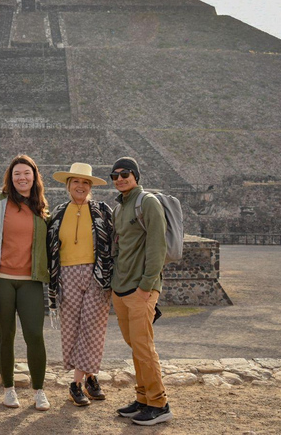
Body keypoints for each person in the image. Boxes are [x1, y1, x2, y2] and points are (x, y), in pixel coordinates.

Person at [109, 157, 173, 426]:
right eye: (115, 175)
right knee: (135, 345)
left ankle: (159, 403)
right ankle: (143, 398)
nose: (120, 178)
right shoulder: (120, 207)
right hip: (121, 287)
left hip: (140, 288)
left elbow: (158, 246)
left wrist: (147, 286)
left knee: (144, 346)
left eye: (126, 173)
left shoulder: (147, 202)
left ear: (136, 175)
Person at [47, 162, 114, 407]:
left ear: (90, 187)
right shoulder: (58, 213)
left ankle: (75, 384)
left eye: (86, 182)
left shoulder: (102, 211)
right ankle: (91, 379)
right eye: (76, 181)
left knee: (92, 327)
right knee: (72, 329)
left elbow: (112, 244)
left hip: (96, 275)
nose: (81, 186)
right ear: (68, 185)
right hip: (66, 275)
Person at [0, 155, 51, 411]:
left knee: (35, 335)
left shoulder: (41, 207)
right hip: (2, 279)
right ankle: (8, 389)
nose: (22, 178)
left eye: (26, 173)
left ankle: (39, 390)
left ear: (34, 177)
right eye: (16, 174)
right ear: (10, 178)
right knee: (6, 335)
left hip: (31, 280)